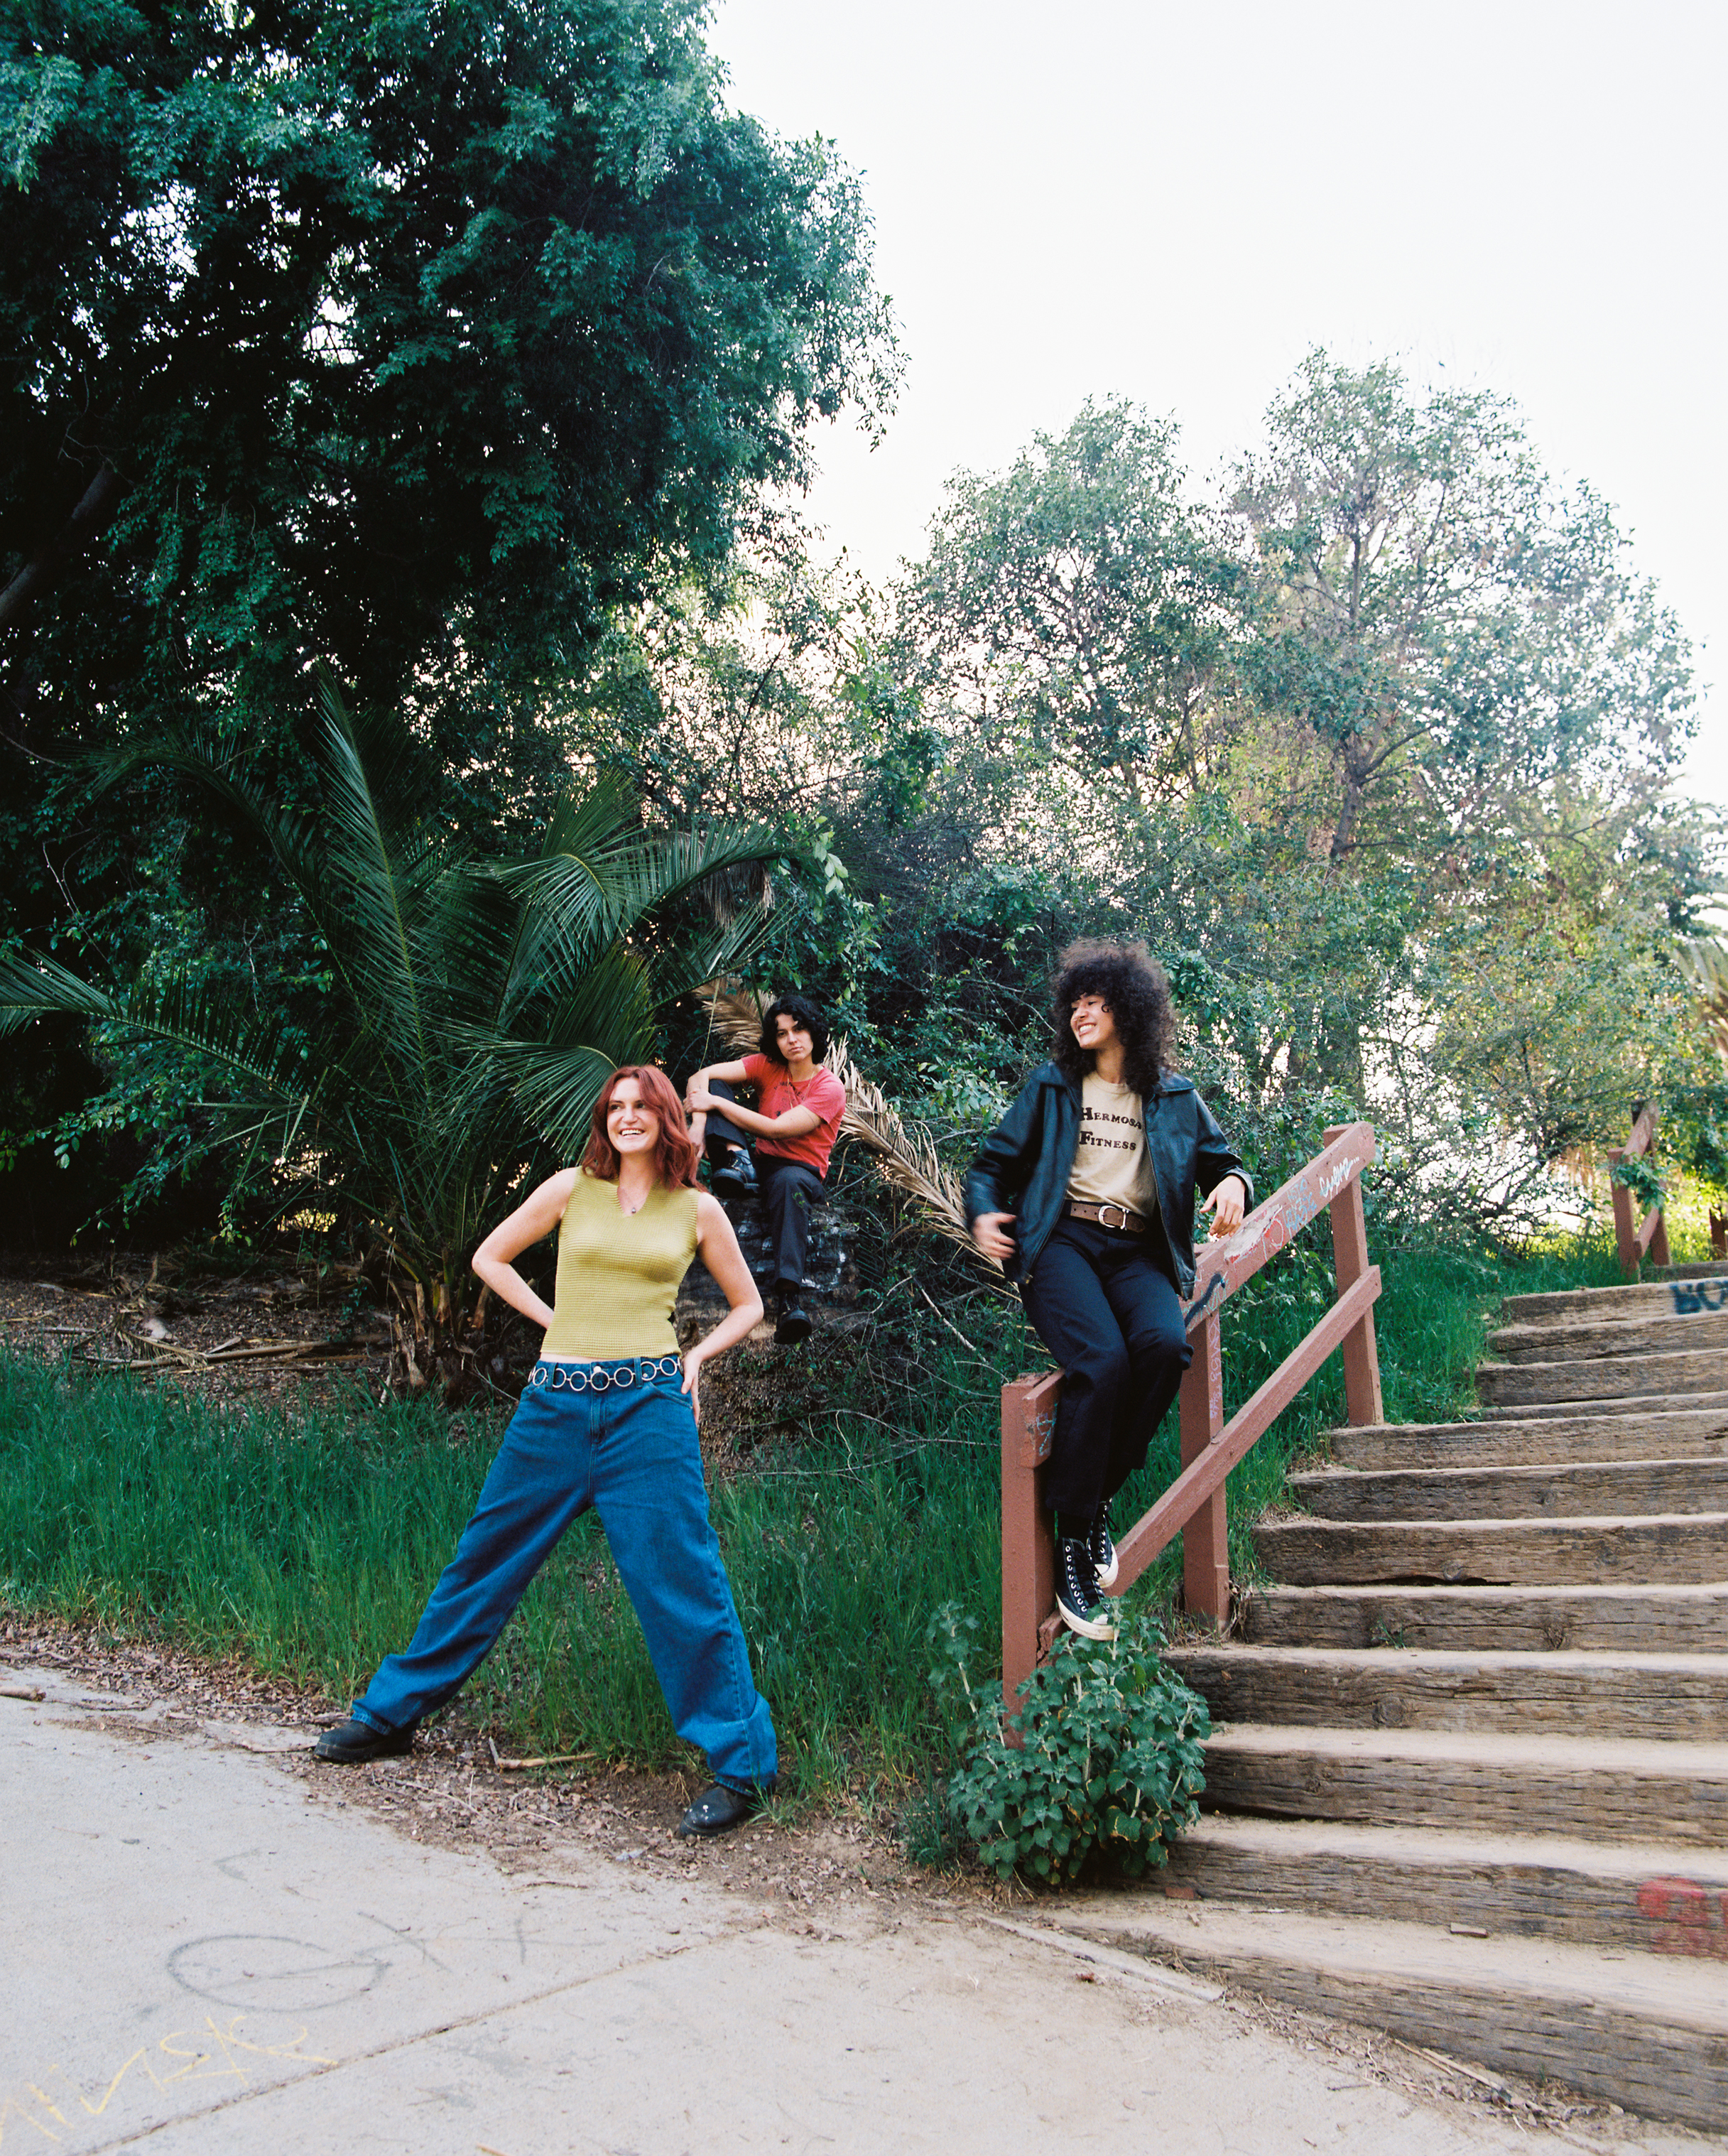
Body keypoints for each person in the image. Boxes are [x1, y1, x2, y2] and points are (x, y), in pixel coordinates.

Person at [313, 1064, 778, 1838]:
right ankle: (390, 1715)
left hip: (649, 1412)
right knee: (482, 1560)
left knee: (682, 1579)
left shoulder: (696, 1208)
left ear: (667, 1118)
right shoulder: (571, 1188)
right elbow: (489, 1257)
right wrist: (552, 1320)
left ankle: (742, 1765)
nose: (627, 1116)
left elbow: (750, 1302)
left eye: (641, 1106)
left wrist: (695, 1360)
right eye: (615, 1107)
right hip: (555, 1407)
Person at [964, 942, 1251, 1642]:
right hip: (1063, 1242)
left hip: (1138, 1251)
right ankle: (1073, 1539)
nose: (1082, 1012)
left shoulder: (1175, 1096)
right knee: (1102, 1362)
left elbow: (1224, 1160)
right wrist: (982, 1214)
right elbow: (991, 1163)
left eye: (1097, 1001)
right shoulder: (1053, 1085)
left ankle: (1095, 1502)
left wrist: (1234, 1185)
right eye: (1076, 1003)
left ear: (1131, 1009)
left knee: (1159, 1348)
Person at [685, 993, 847, 1347]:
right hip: (760, 1163)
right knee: (717, 1086)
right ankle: (738, 1163)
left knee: (789, 1183)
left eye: (799, 1030)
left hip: (800, 1171)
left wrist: (713, 1104)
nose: (792, 1039)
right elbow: (702, 1077)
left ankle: (789, 1301)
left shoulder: (829, 1087)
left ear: (813, 1033)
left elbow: (775, 1129)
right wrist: (699, 1124)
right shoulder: (768, 1066)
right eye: (782, 1033)